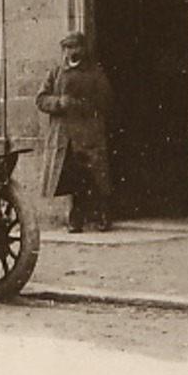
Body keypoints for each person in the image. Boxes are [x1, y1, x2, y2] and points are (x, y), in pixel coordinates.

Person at [36, 30, 114, 233]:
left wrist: (81, 104)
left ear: (83, 49)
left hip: (89, 134)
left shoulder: (94, 72)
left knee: (96, 177)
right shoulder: (56, 72)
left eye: (75, 47)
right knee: (74, 179)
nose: (71, 52)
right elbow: (41, 99)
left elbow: (106, 100)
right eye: (67, 48)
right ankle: (75, 218)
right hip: (66, 136)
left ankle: (103, 215)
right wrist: (58, 102)